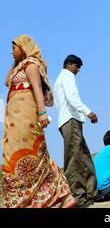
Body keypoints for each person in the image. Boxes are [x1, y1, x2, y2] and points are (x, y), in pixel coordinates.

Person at [2, 35, 77, 208]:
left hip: (26, 118)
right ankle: (30, 199)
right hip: (14, 121)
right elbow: (7, 82)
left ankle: (63, 193)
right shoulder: (20, 66)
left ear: (23, 46)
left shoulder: (31, 65)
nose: (11, 52)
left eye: (14, 48)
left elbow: (36, 88)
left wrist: (42, 113)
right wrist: (15, 62)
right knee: (14, 154)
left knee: (33, 154)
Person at [54, 54, 98, 208]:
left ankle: (92, 193)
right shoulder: (67, 76)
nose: (78, 70)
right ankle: (78, 196)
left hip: (71, 121)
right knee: (74, 160)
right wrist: (89, 112)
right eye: (77, 66)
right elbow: (72, 98)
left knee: (84, 158)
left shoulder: (60, 79)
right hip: (70, 121)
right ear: (69, 64)